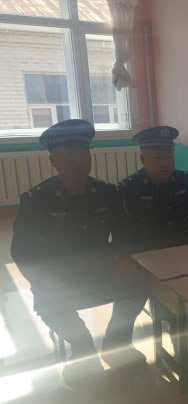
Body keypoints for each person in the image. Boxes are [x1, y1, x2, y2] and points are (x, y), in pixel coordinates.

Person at [10, 120, 148, 387]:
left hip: (102, 268)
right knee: (47, 301)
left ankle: (116, 343)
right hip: (59, 274)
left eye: (83, 154)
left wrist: (125, 257)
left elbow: (125, 233)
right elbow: (22, 251)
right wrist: (42, 279)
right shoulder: (37, 199)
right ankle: (82, 347)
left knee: (140, 281)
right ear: (54, 161)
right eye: (69, 156)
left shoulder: (106, 192)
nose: (78, 162)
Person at [118, 126, 188, 251]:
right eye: (157, 158)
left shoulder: (184, 181)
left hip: (185, 247)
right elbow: (123, 231)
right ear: (143, 159)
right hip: (148, 251)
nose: (164, 164)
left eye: (169, 157)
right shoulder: (130, 187)